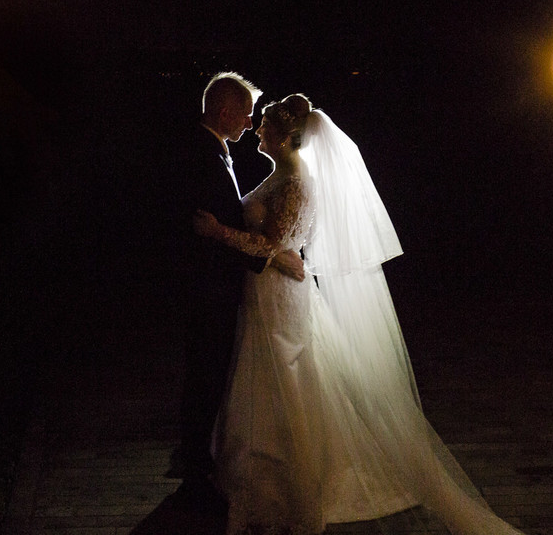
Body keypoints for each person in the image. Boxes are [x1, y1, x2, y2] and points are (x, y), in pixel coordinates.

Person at [194, 94, 523, 535]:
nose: (257, 130)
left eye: (265, 126)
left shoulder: (296, 182)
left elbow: (270, 245)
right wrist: (275, 255)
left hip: (279, 297)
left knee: (287, 381)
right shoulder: (282, 174)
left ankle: (294, 484)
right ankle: (259, 475)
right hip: (266, 291)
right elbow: (277, 246)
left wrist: (217, 232)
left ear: (284, 136)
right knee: (267, 380)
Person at [169, 73, 305, 505]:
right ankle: (196, 464)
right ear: (225, 112)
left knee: (221, 374)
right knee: (208, 374)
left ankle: (204, 458)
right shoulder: (200, 152)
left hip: (242, 286)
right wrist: (266, 253)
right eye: (246, 114)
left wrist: (270, 252)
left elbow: (263, 236)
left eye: (257, 120)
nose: (250, 124)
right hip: (210, 288)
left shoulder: (218, 152)